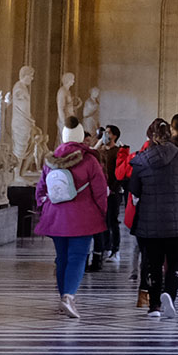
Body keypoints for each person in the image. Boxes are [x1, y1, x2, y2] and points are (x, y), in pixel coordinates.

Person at [125, 120, 178, 320]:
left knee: (153, 264)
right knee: (177, 262)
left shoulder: (141, 159)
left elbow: (134, 189)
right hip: (177, 219)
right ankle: (170, 294)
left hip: (148, 222)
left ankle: (153, 306)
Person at [33, 134, 110, 318]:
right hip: (82, 216)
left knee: (62, 258)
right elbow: (100, 189)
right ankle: (68, 296)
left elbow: (41, 188)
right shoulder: (89, 160)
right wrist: (102, 212)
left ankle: (63, 296)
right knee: (78, 257)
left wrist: (41, 206)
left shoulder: (51, 160)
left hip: (55, 215)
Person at [92, 126, 130, 270]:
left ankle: (115, 250)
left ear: (114, 136)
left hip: (114, 191)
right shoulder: (101, 150)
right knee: (103, 220)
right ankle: (105, 247)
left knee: (112, 220)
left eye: (108, 133)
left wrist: (113, 188)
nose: (105, 135)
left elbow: (121, 172)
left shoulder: (118, 151)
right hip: (101, 191)